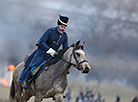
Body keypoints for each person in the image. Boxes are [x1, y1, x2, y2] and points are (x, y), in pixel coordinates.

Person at [19, 14, 69, 88]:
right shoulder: (50, 31)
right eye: (62, 26)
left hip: (54, 55)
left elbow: (65, 48)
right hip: (42, 53)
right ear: (58, 25)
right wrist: (49, 50)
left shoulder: (65, 36)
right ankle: (27, 81)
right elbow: (42, 42)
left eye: (64, 27)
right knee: (34, 66)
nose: (63, 29)